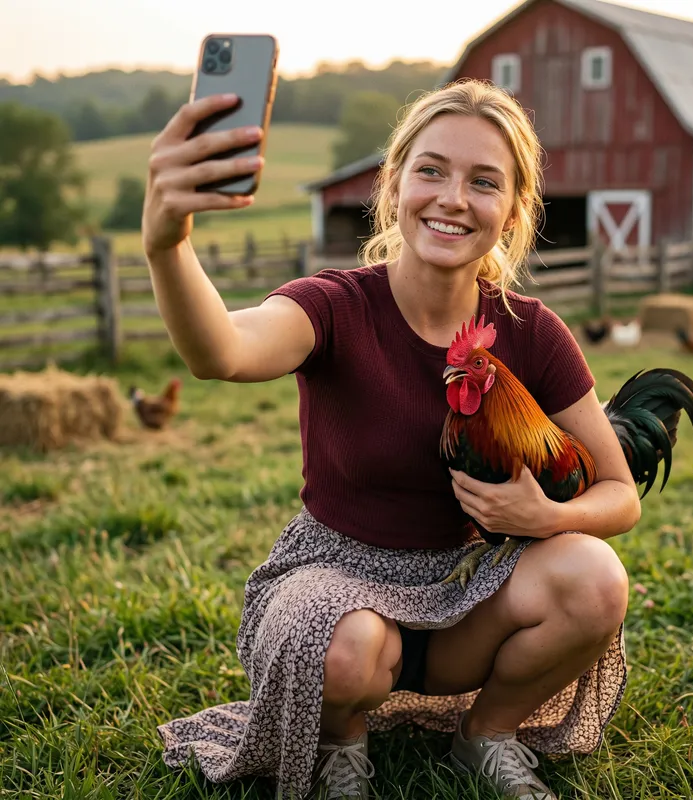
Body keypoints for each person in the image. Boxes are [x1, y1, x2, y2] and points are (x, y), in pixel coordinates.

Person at [146, 78, 639, 800]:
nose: (452, 198)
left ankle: (487, 735)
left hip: (469, 586)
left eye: (484, 182)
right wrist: (167, 244)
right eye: (432, 170)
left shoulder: (532, 329)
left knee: (596, 578)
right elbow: (220, 351)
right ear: (395, 183)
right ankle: (341, 744)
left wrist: (549, 519)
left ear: (510, 212)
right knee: (341, 649)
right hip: (336, 574)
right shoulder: (336, 306)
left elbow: (620, 496)